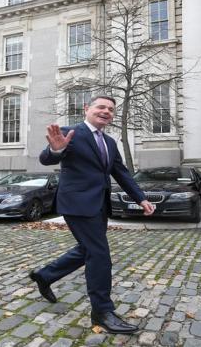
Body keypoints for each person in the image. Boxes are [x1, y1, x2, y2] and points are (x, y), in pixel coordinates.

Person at [29, 96, 155, 334]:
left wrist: (141, 198)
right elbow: (47, 156)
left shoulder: (109, 141)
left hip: (99, 205)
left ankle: (44, 276)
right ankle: (102, 311)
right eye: (101, 107)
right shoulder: (70, 132)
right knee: (99, 254)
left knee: (86, 249)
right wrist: (57, 150)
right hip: (76, 204)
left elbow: (121, 173)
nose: (106, 111)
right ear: (87, 109)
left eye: (110, 109)